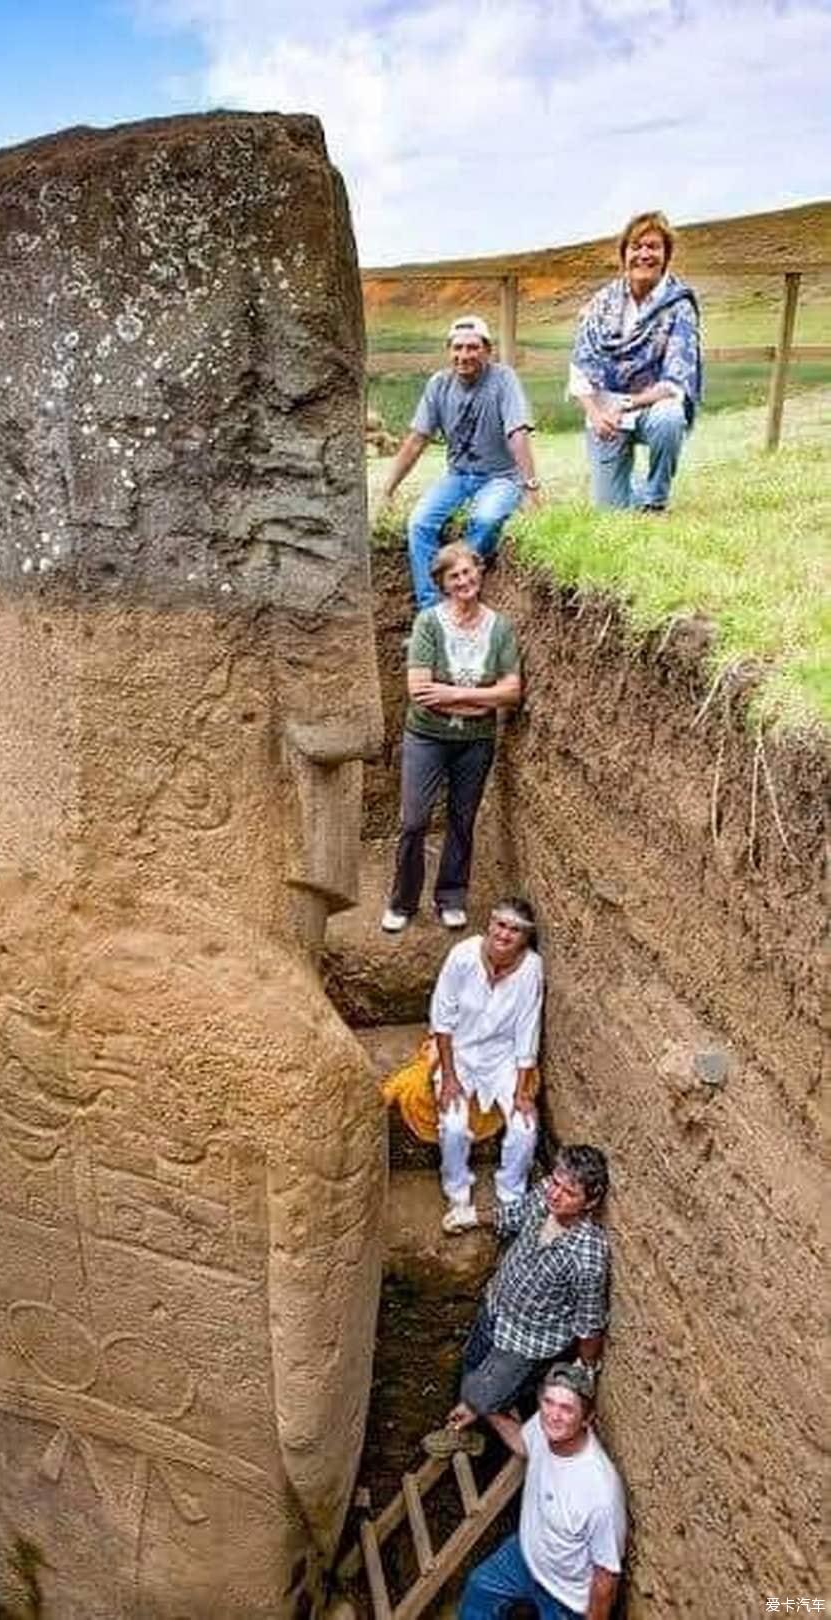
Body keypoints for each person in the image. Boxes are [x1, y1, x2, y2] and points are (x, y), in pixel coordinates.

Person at [423, 1145, 610, 1452]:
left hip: (526, 1341)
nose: (555, 1194)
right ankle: (474, 1424)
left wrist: (585, 1367)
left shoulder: (587, 1256)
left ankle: (505, 1441)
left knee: (481, 1396)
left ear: (590, 1201)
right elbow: (514, 1214)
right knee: (471, 1366)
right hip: (495, 1307)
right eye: (556, 1182)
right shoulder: (543, 1197)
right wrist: (471, 1217)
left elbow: (589, 1322)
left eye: (569, 1192)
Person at [381, 543, 521, 935]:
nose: (464, 581)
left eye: (468, 571)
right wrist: (483, 698)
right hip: (426, 737)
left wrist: (453, 695)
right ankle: (403, 902)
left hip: (476, 742)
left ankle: (451, 897)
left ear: (480, 571)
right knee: (414, 820)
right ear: (443, 584)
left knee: (462, 819)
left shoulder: (500, 628)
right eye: (454, 576)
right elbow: (420, 691)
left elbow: (511, 692)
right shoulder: (429, 623)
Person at [380, 314, 542, 608]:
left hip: (502, 476)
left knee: (486, 518)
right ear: (449, 351)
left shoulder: (503, 379)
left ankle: (457, 597)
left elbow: (517, 432)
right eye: (457, 348)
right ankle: (432, 610)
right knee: (419, 523)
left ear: (487, 350)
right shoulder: (439, 385)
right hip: (458, 476)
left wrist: (530, 488)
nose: (463, 355)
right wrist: (388, 488)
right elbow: (417, 439)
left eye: (472, 347)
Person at [459, 1362, 626, 1620]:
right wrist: (484, 1408)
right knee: (479, 1587)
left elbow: (606, 1577)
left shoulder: (599, 1493)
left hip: (567, 1596)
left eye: (567, 1408)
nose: (554, 1415)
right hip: (528, 1556)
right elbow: (523, 1443)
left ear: (587, 1418)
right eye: (548, 1402)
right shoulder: (544, 1424)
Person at [569, 210, 701, 512]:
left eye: (653, 247)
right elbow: (580, 368)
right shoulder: (601, 303)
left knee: (670, 418)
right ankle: (635, 489)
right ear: (624, 254)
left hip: (651, 405)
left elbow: (674, 381)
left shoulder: (679, 306)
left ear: (666, 256)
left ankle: (655, 500)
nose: (644, 254)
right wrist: (596, 412)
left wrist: (627, 405)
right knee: (610, 511)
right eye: (636, 246)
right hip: (605, 411)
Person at [429, 898, 543, 1233]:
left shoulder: (531, 968)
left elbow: (527, 1030)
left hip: (502, 1058)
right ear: (489, 924)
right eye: (500, 925)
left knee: (525, 1126)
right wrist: (449, 1077)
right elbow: (443, 1019)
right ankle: (458, 1192)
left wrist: (522, 1092)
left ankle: (510, 1197)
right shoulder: (463, 956)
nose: (505, 934)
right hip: (459, 1052)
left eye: (515, 930)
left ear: (525, 938)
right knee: (452, 1123)